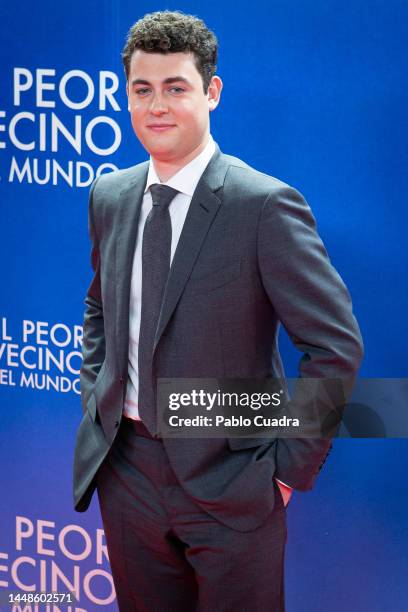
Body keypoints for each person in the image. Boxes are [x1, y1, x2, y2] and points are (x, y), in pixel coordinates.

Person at [73, 10, 363, 611]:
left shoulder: (264, 205)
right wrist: (101, 408)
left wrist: (284, 474)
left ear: (211, 92)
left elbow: (335, 348)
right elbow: (100, 309)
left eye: (175, 88)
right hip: (126, 475)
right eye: (142, 90)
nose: (157, 107)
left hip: (233, 483)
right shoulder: (111, 195)